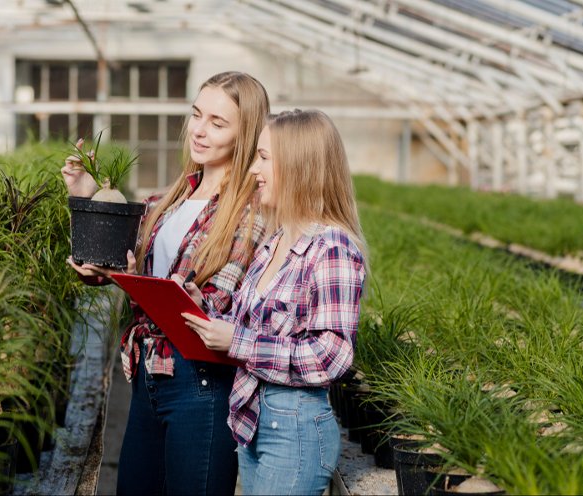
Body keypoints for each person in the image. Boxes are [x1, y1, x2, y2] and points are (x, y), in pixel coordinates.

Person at [62, 71, 270, 495]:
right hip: (147, 376)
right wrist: (88, 198)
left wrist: (158, 290)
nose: (199, 130)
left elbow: (215, 304)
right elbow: (133, 269)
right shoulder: (167, 200)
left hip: (201, 384)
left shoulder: (251, 212)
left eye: (217, 122)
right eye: (197, 115)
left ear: (245, 133)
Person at [182, 109, 368, 495]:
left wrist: (237, 341)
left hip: (295, 429)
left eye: (264, 157)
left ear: (299, 165)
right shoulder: (276, 241)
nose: (253, 168)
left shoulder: (331, 248)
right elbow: (250, 326)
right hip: (256, 420)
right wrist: (205, 310)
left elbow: (331, 355)